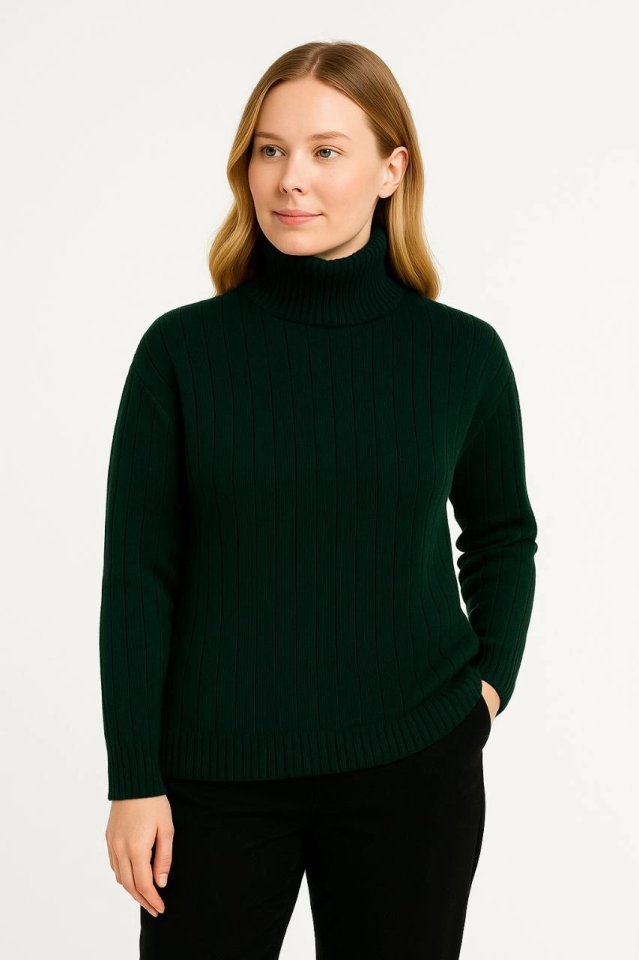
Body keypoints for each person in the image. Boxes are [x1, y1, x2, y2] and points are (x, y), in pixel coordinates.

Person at [99, 40, 538, 960]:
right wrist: (133, 778)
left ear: (390, 170)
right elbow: (138, 576)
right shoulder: (182, 353)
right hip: (214, 782)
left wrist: (487, 687)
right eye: (269, 150)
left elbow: (500, 532)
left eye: (325, 151)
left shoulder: (460, 354)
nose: (289, 178)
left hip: (413, 768)